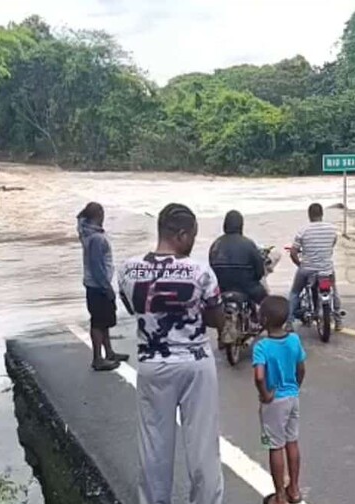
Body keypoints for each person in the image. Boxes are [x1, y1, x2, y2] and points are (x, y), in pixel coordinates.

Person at [118, 203, 225, 504]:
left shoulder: (127, 269)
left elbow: (134, 309)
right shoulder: (201, 272)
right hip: (195, 365)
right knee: (203, 446)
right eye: (192, 235)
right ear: (181, 234)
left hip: (153, 365)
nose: (192, 242)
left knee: (154, 447)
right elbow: (217, 321)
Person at [253, 296, 306, 504]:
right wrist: (295, 386)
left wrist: (265, 394)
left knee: (275, 446)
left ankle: (280, 497)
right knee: (292, 442)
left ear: (263, 319)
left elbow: (259, 376)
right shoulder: (294, 340)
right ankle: (294, 489)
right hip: (292, 397)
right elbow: (301, 368)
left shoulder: (262, 346)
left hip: (274, 402)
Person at [76, 202, 128, 371]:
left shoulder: (86, 232)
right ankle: (98, 358)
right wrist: (107, 287)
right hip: (98, 286)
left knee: (103, 321)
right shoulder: (97, 238)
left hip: (93, 284)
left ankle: (109, 352)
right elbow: (96, 265)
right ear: (98, 216)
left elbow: (79, 219)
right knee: (99, 322)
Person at [288, 203, 341, 331]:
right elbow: (332, 244)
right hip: (326, 269)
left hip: (308, 269)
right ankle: (338, 320)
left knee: (295, 292)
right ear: (322, 214)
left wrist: (300, 265)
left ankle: (288, 322)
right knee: (334, 290)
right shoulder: (332, 229)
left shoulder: (303, 230)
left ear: (309, 215)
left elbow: (293, 253)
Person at [209, 210, 267, 304]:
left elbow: (211, 270)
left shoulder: (216, 244)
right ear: (241, 226)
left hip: (222, 288)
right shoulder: (249, 244)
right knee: (267, 303)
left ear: (225, 225)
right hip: (247, 289)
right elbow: (260, 272)